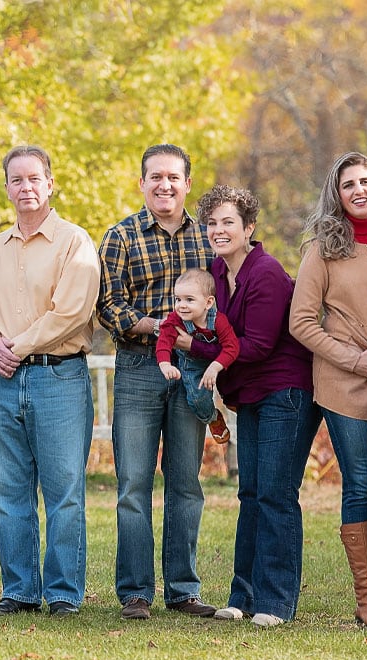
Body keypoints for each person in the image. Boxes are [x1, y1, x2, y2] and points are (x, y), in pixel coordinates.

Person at [287, 151, 367, 627]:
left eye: (366, 181)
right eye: (348, 185)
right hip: (345, 380)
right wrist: (354, 359)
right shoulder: (322, 248)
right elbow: (302, 322)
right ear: (336, 195)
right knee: (359, 484)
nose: (359, 190)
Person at [0, 146, 100, 617]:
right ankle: (20, 591)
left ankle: (64, 593)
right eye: (16, 180)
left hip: (58, 378)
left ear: (50, 183)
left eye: (34, 179)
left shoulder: (74, 242)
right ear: (7, 188)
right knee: (7, 492)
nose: (25, 187)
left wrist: (16, 345)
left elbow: (71, 312)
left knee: (64, 490)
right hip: (3, 381)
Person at [184, 186, 317, 628]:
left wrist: (195, 348)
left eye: (227, 222)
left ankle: (276, 603)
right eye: (212, 223)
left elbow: (257, 346)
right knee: (250, 493)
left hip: (284, 391)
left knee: (276, 495)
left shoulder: (266, 273)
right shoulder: (217, 274)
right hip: (251, 396)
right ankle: (243, 595)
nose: (218, 230)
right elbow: (216, 331)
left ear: (249, 228)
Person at [95, 144, 217, 621]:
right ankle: (135, 592)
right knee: (133, 484)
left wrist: (202, 348)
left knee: (186, 482)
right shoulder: (120, 237)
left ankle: (183, 589)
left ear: (188, 183)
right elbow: (108, 304)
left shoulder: (209, 240)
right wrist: (157, 328)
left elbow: (223, 300)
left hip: (192, 371)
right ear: (141, 183)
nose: (164, 185)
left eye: (173, 177)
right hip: (139, 368)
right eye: (155, 177)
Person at [156, 269, 237, 442]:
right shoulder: (175, 320)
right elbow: (164, 341)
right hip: (192, 365)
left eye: (189, 300)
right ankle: (212, 417)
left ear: (208, 303)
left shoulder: (218, 320)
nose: (181, 305)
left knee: (239, 370)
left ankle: (235, 398)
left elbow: (232, 347)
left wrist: (215, 366)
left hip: (219, 361)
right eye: (178, 299)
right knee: (197, 398)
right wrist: (165, 364)